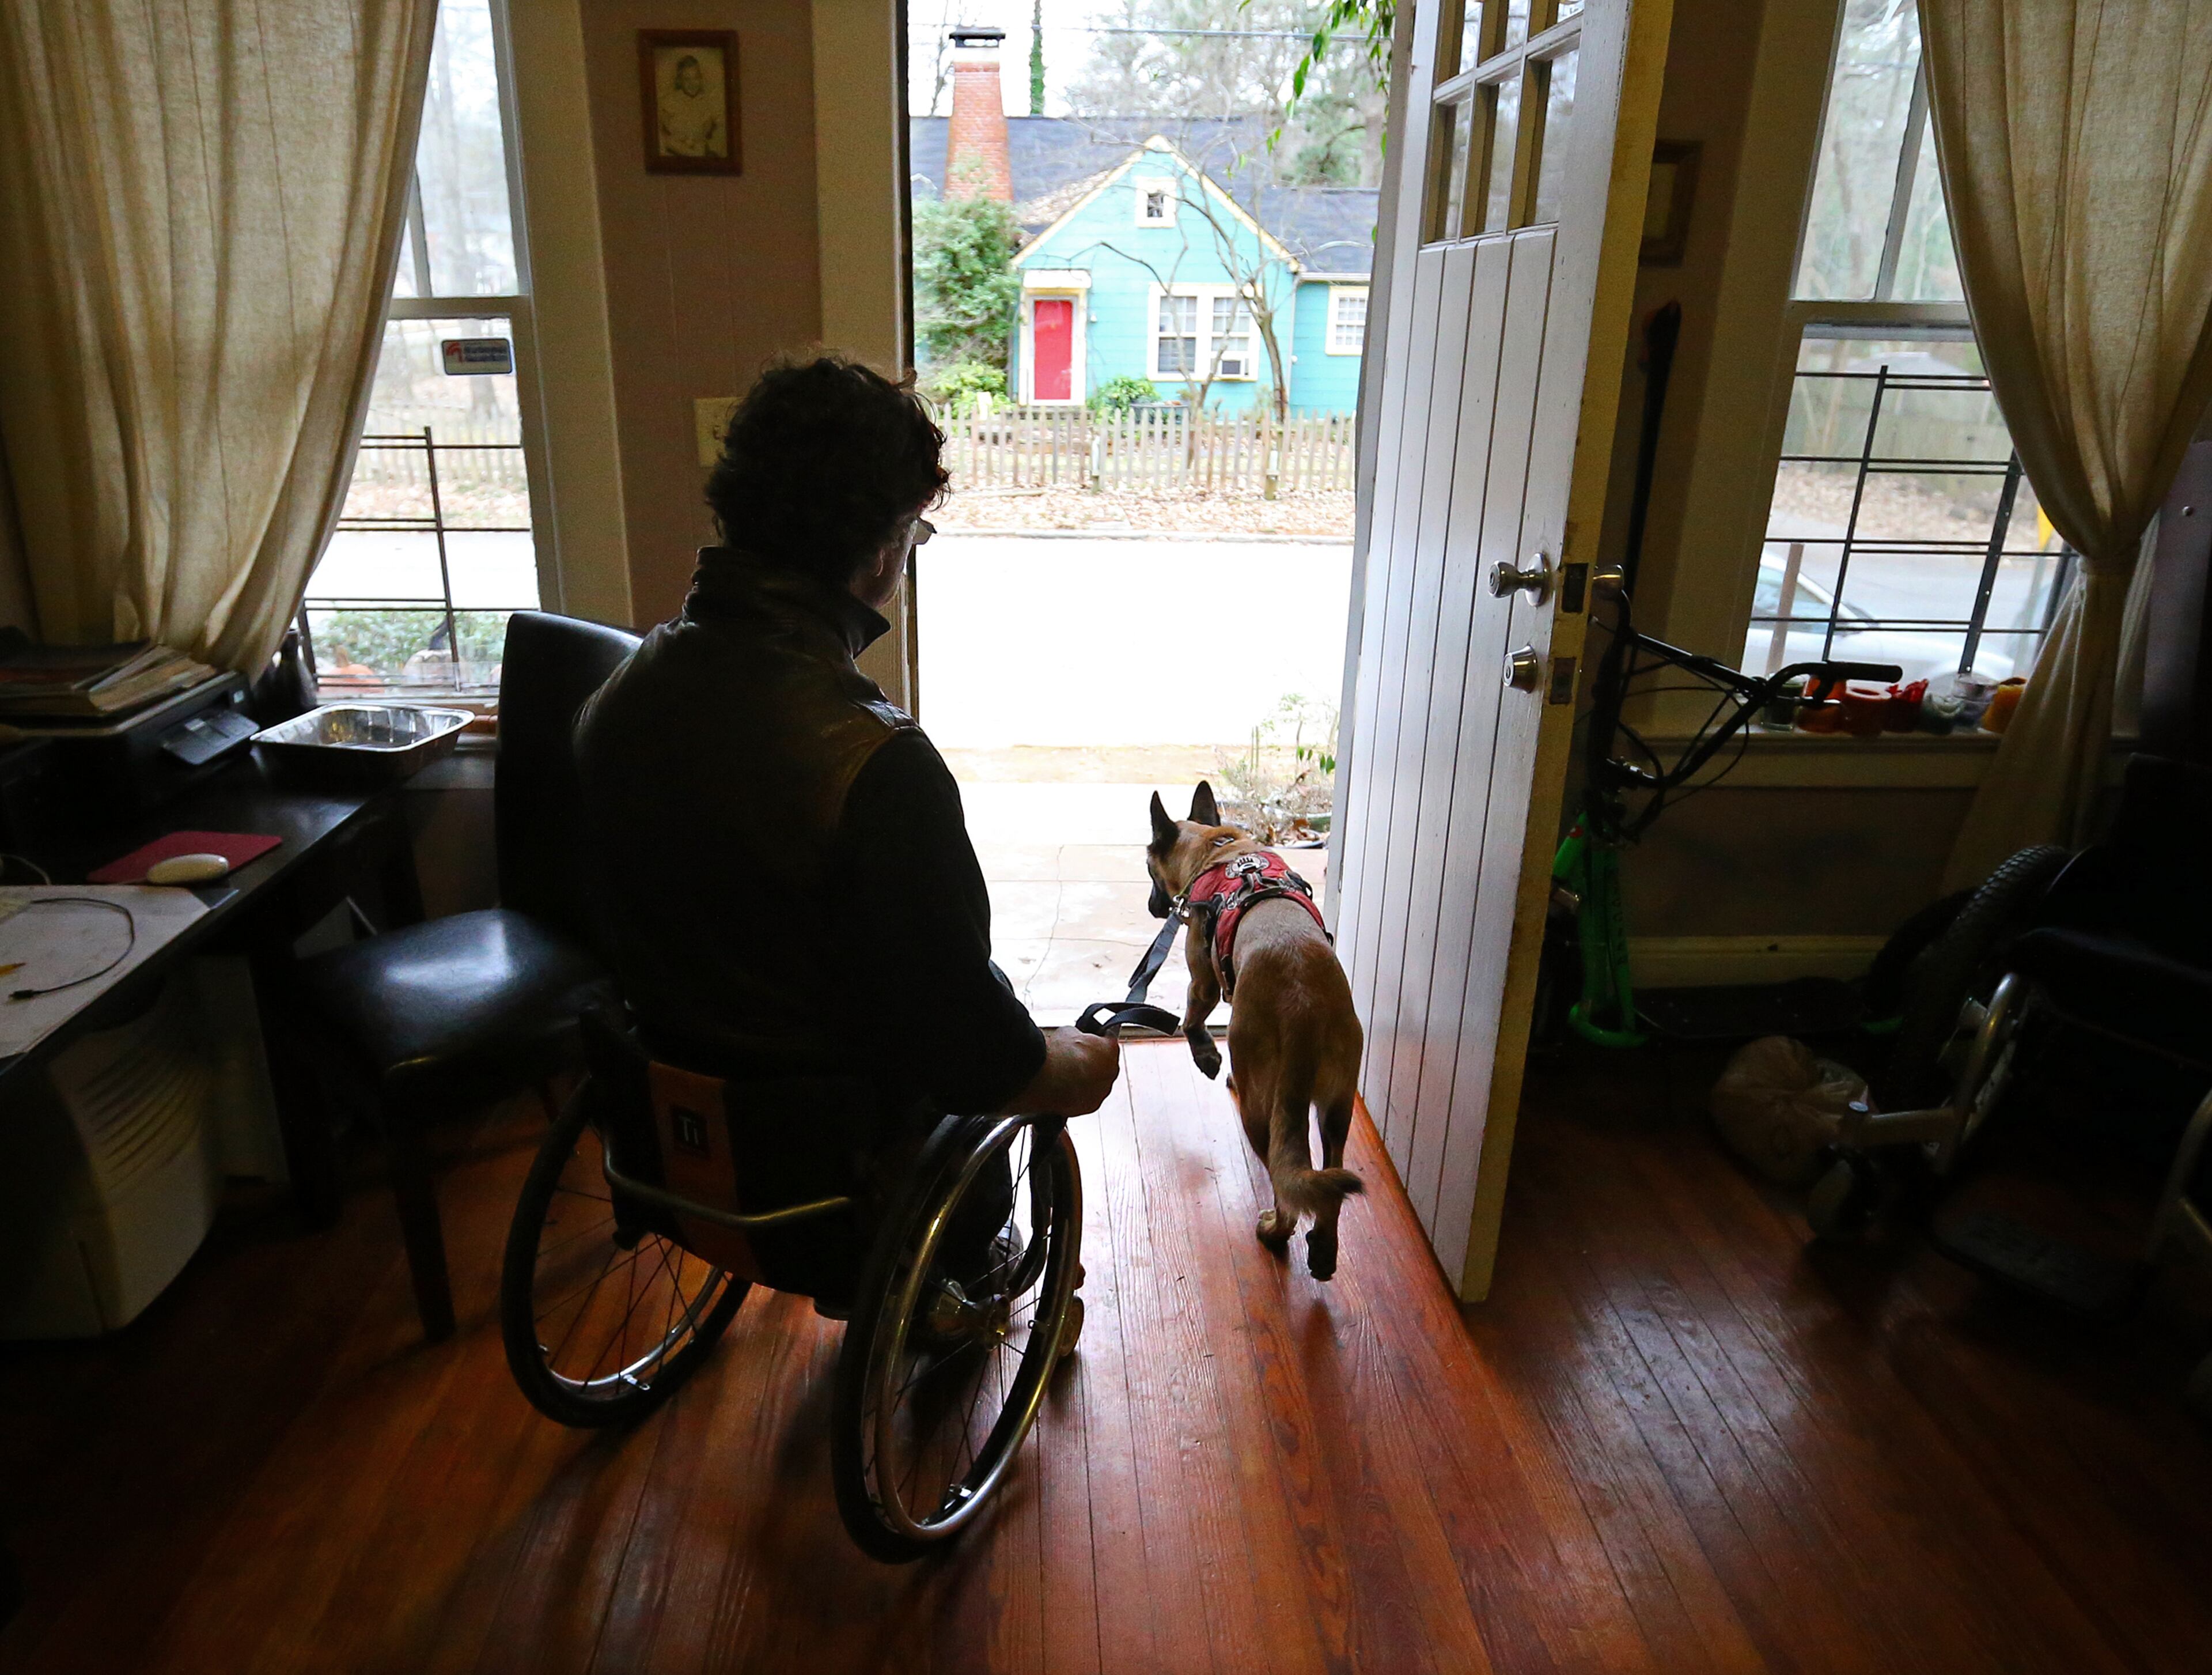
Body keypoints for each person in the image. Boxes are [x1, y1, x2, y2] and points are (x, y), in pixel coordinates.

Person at [574, 357, 1120, 1267]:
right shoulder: (877, 764)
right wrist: (1057, 1065)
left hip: (662, 1138)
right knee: (1043, 1079)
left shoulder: (619, 694)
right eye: (917, 529)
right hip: (836, 1181)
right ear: (882, 547)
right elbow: (964, 1046)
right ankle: (953, 1295)